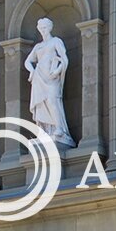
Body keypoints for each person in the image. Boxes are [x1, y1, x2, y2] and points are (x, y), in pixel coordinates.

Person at [24, 17, 73, 146]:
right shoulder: (38, 46)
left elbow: (64, 59)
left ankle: (59, 129)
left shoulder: (56, 41)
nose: (42, 30)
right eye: (40, 28)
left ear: (50, 27)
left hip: (52, 78)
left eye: (44, 27)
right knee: (41, 105)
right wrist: (32, 71)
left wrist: (57, 71)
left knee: (52, 100)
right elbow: (28, 61)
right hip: (39, 78)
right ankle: (45, 131)